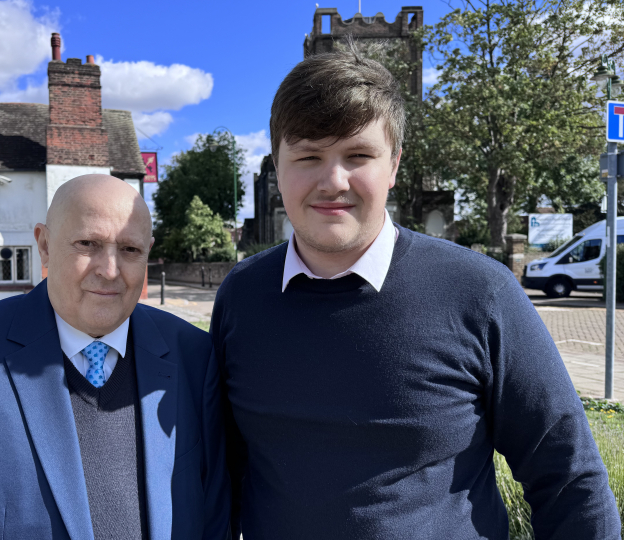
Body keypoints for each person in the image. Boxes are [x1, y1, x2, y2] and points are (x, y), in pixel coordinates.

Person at [210, 41, 621, 539]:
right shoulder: (242, 296)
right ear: (277, 167)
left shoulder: (479, 292)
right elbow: (223, 472)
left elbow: (568, 477)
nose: (332, 180)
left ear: (395, 165)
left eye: (358, 155)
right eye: (308, 156)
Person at [0, 175, 229, 540]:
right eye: (88, 243)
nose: (110, 269)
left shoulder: (193, 357)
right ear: (45, 245)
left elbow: (215, 521)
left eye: (130, 250)